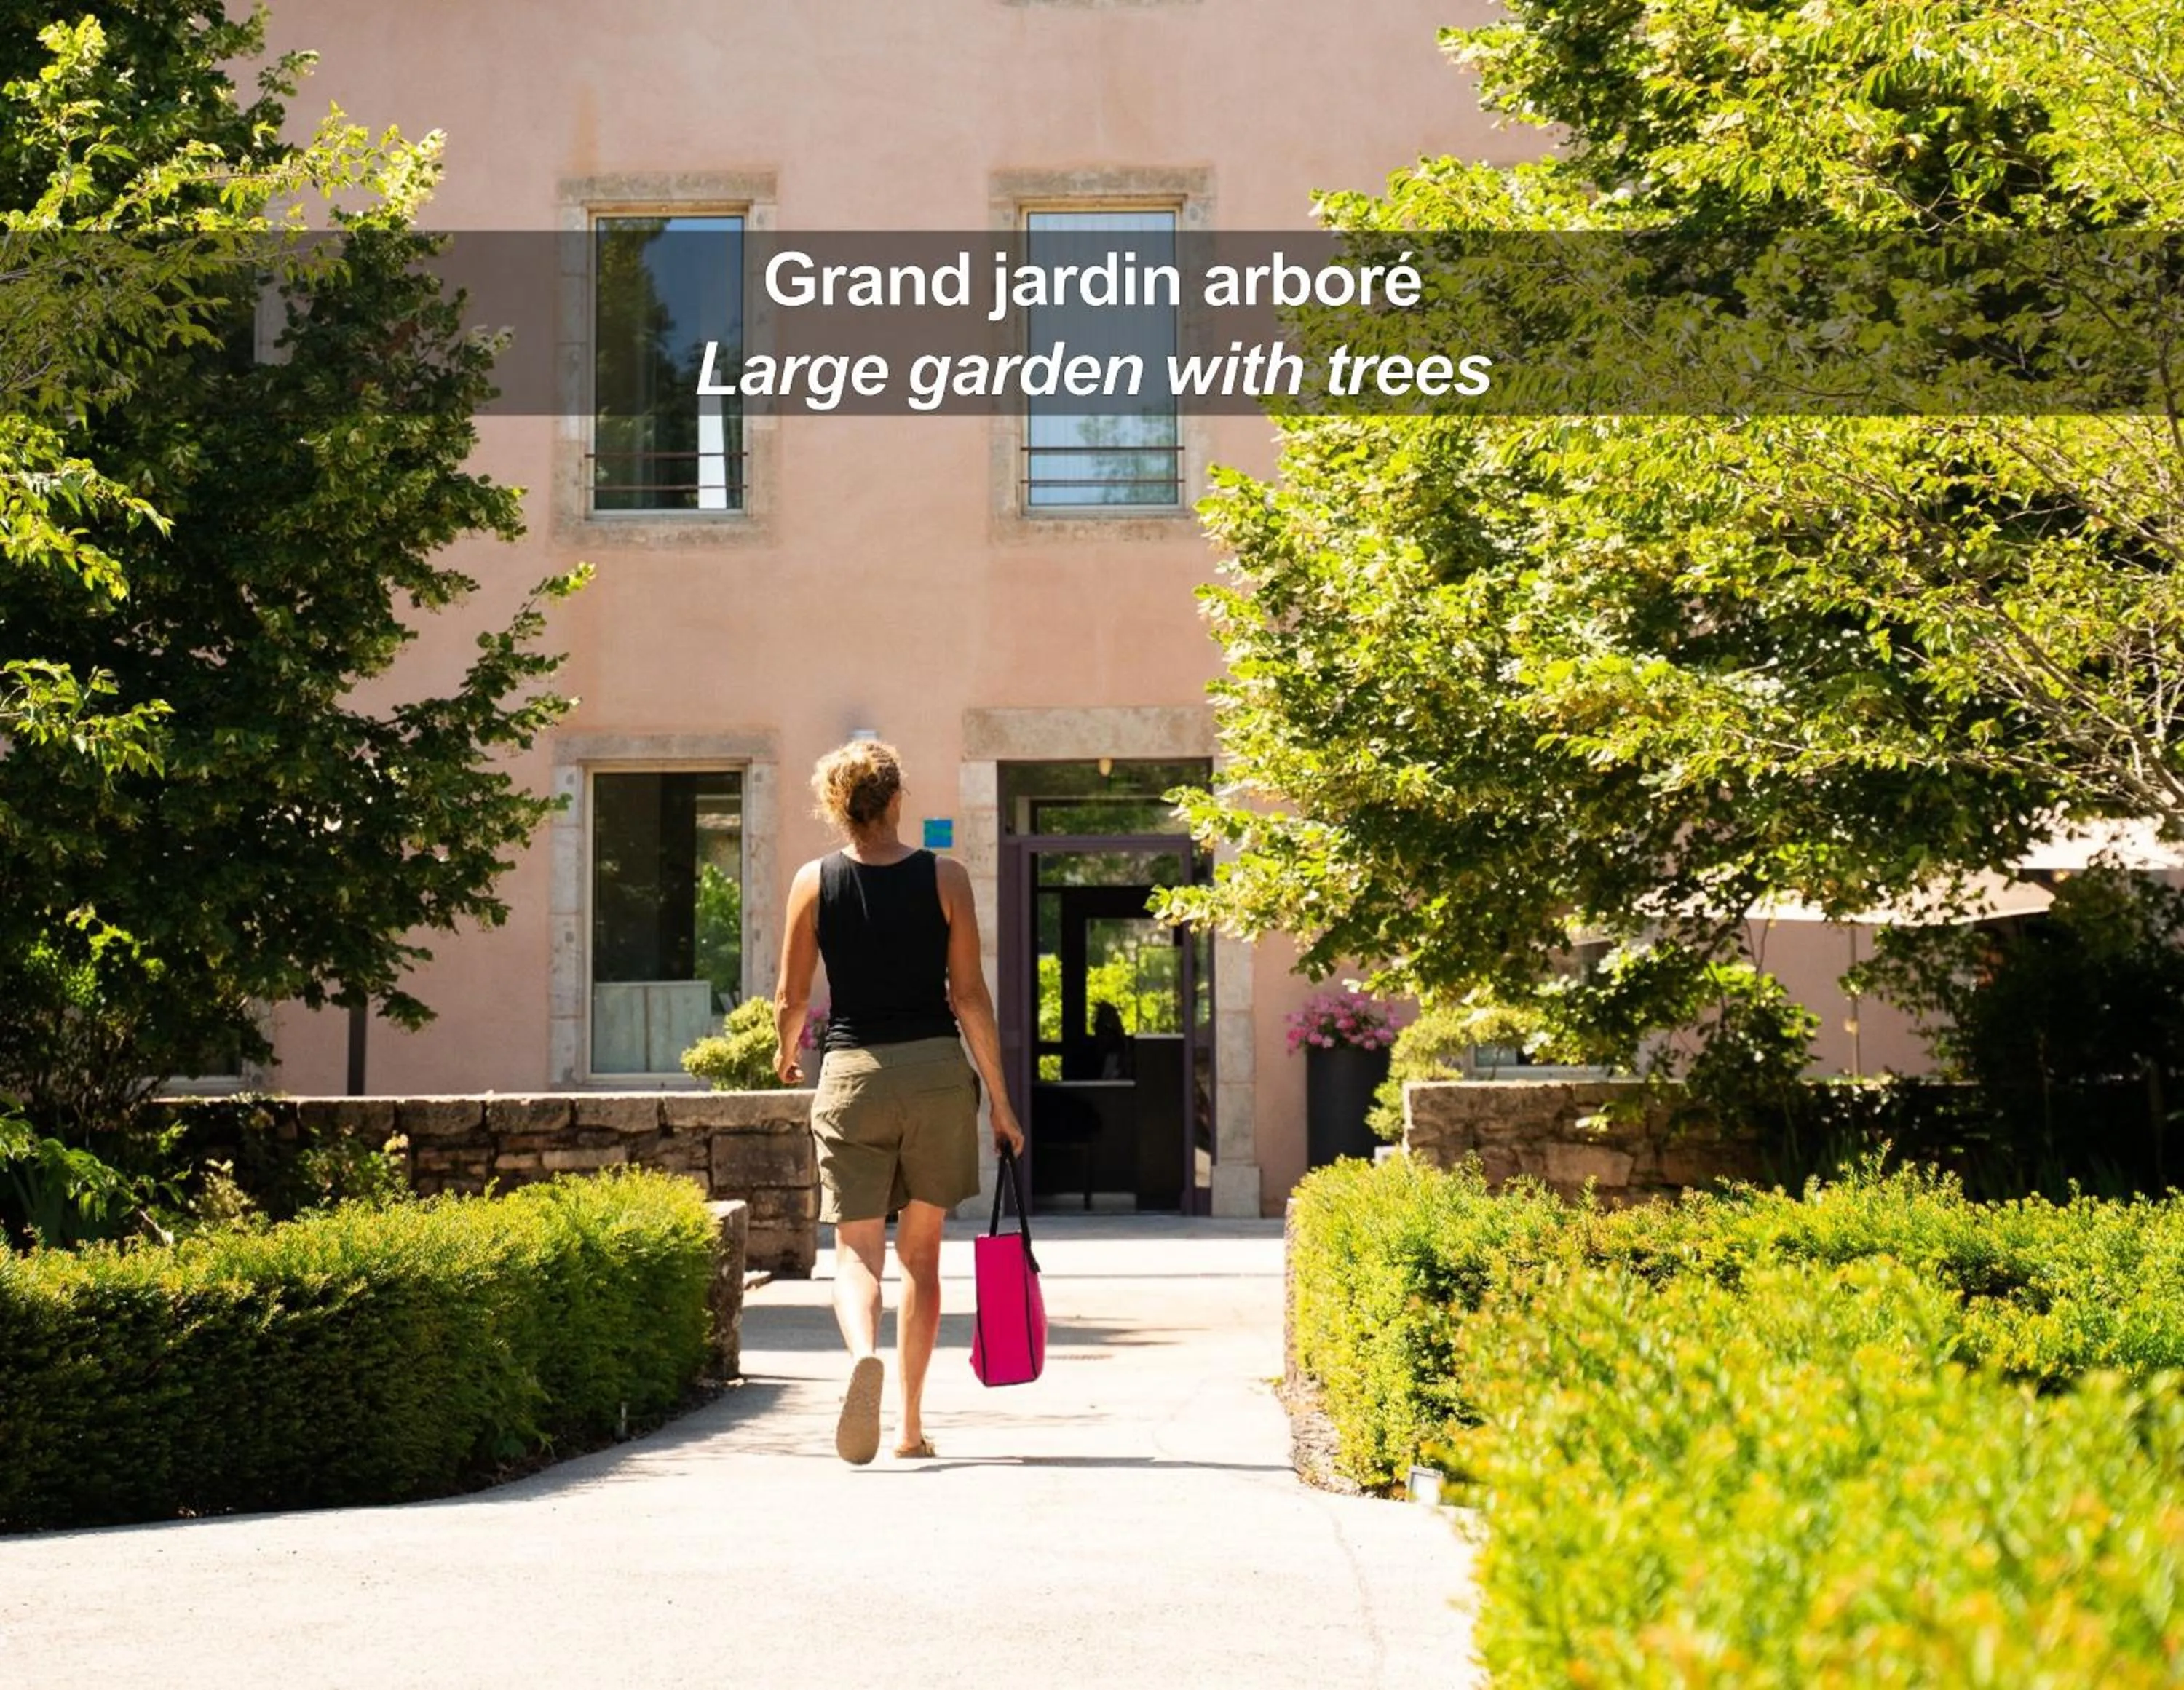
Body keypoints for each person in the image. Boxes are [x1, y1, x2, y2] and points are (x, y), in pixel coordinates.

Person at [775, 739, 1026, 1465]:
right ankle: (910, 1427)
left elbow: (793, 997)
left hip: (851, 1073)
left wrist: (787, 1053)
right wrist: (1003, 1107)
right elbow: (969, 995)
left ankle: (862, 1354)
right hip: (937, 1076)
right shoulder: (946, 877)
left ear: (835, 807)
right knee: (921, 1257)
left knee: (855, 1252)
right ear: (894, 802)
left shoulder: (811, 882)